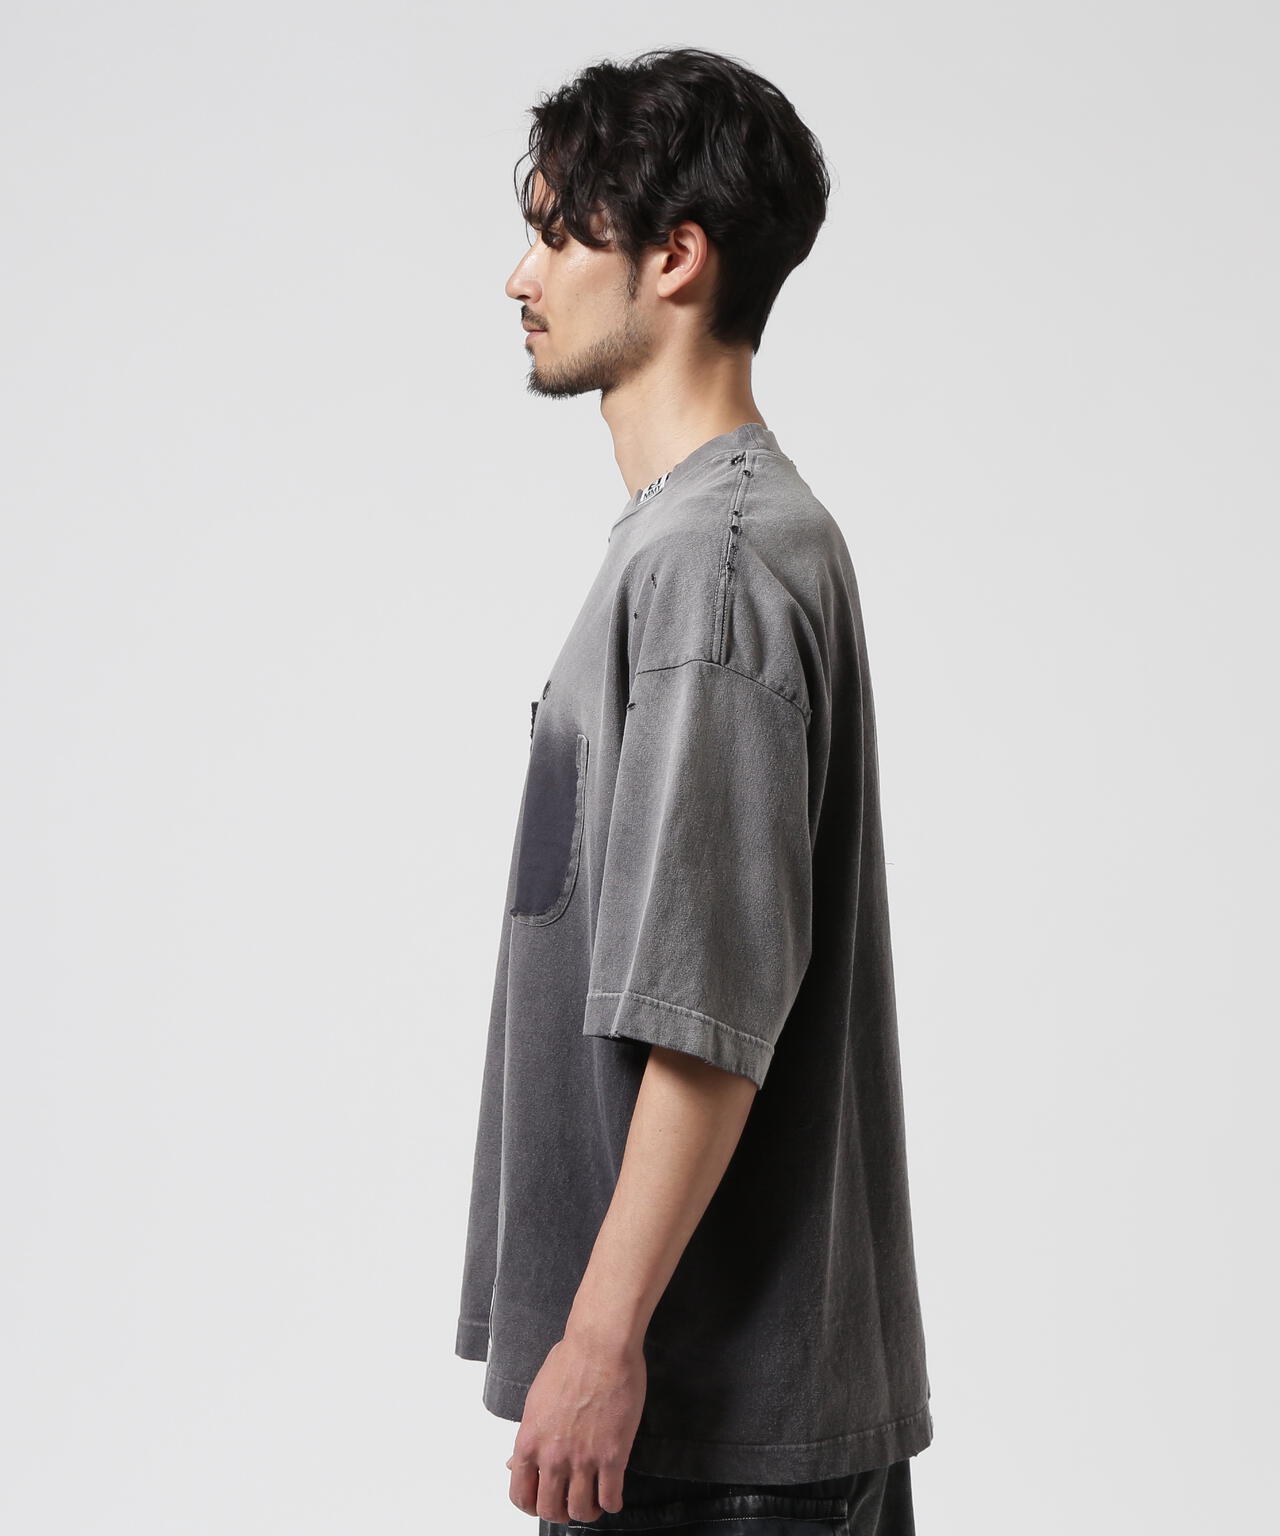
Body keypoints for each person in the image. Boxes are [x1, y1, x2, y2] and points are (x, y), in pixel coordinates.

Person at [454, 47, 934, 1535]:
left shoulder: (713, 569)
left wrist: (600, 1342)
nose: (521, 275)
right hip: (724, 1435)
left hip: (710, 1441)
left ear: (675, 258)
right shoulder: (696, 547)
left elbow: (705, 1011)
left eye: (559, 235)